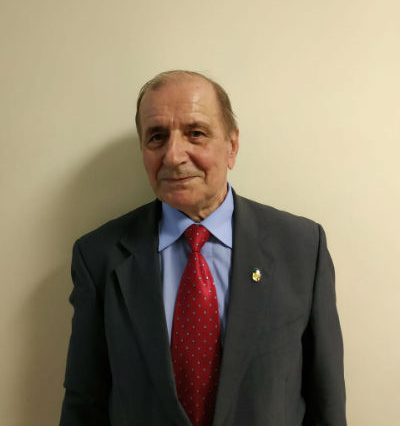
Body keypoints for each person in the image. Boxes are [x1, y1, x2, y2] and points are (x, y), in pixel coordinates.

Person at [60, 70, 347, 426]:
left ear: (232, 146)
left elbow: (326, 401)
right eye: (156, 137)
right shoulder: (99, 257)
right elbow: (84, 403)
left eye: (195, 133)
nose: (173, 155)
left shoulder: (302, 248)